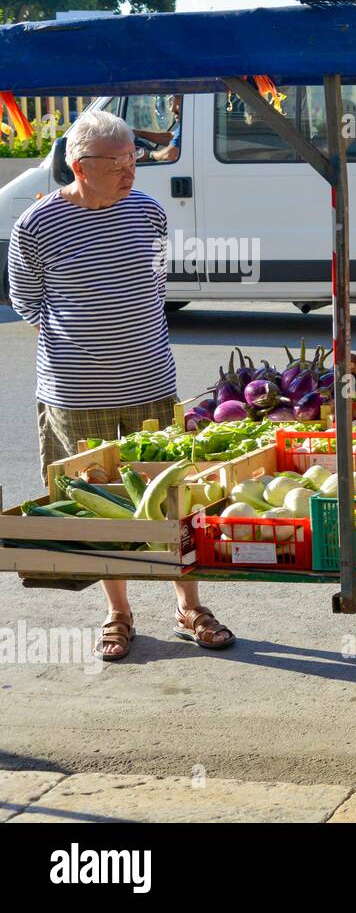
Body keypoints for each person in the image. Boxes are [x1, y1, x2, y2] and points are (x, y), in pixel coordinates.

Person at [6, 110, 234, 660]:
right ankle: (119, 612)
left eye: (135, 158)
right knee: (99, 504)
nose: (133, 171)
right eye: (119, 163)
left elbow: (152, 284)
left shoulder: (148, 211)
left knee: (179, 498)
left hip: (152, 383)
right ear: (80, 167)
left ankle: (189, 605)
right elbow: (28, 304)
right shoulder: (35, 226)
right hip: (76, 394)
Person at [132, 94, 181, 164]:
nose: (172, 109)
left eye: (179, 100)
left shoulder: (190, 122)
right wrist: (138, 133)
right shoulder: (186, 126)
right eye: (171, 100)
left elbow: (170, 154)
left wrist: (149, 155)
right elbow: (170, 137)